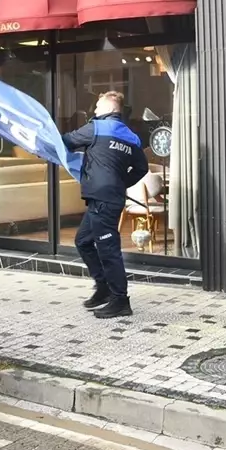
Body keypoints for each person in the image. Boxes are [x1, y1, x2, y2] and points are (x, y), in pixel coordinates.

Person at [62, 91, 149, 319]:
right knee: (83, 241)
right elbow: (142, 168)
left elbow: (66, 141)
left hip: (103, 200)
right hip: (108, 198)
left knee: (108, 249)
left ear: (110, 108)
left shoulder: (97, 128)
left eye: (98, 106)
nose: (95, 110)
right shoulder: (131, 137)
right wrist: (120, 183)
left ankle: (120, 300)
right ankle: (103, 288)